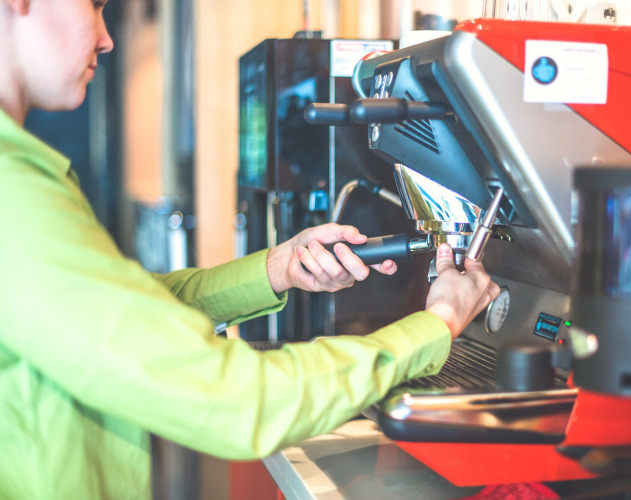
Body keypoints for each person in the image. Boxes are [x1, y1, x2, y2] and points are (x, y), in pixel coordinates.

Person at [0, 0, 501, 498]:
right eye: (93, 5)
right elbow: (238, 400)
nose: (106, 37)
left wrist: (280, 267)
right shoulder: (12, 192)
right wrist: (436, 325)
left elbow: (128, 311)